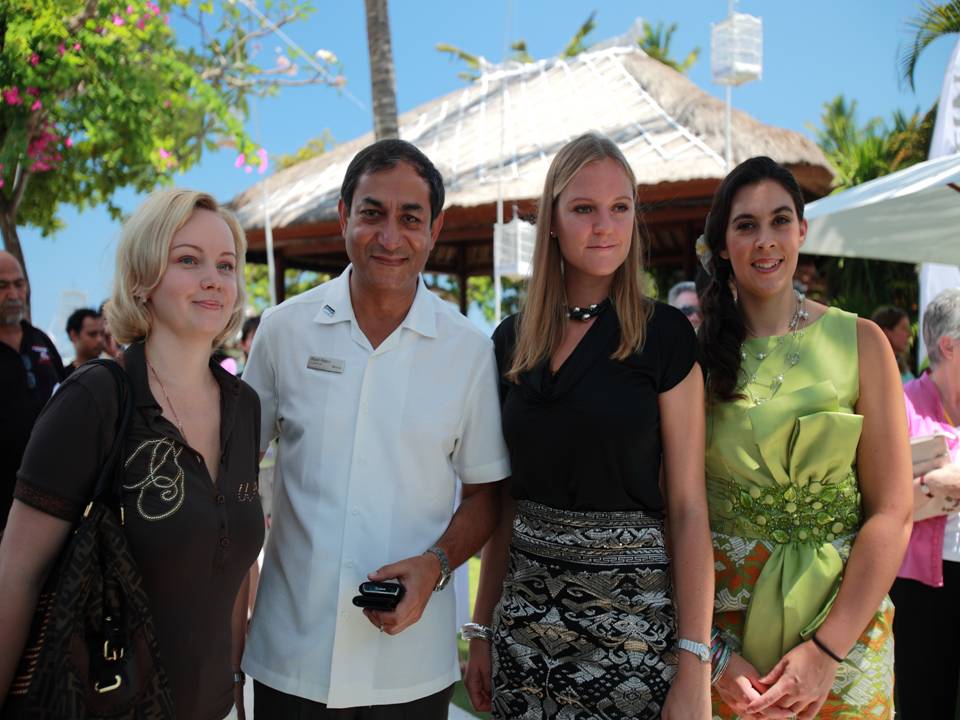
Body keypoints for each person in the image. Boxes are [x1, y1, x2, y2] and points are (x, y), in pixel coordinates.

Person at [241, 139, 510, 718]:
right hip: (289, 657)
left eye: (410, 218)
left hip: (410, 670)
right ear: (343, 217)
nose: (390, 236)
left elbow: (489, 494)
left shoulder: (467, 351)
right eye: (372, 214)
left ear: (434, 229)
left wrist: (435, 564)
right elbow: (230, 472)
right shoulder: (284, 332)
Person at [464, 133, 714, 720]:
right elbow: (503, 501)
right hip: (522, 635)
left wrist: (694, 664)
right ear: (551, 220)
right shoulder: (509, 341)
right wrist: (480, 627)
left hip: (633, 638)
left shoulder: (666, 336)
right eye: (584, 209)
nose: (605, 226)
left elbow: (688, 507)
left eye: (620, 208)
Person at [0, 189, 264, 720]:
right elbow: (16, 573)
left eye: (226, 264)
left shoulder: (245, 406)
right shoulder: (94, 399)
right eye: (188, 260)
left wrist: (236, 687)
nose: (214, 278)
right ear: (143, 278)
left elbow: (233, 566)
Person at [697, 156, 912, 719]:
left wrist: (826, 650)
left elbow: (892, 511)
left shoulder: (863, 341)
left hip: (845, 631)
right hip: (728, 645)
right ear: (723, 244)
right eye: (746, 225)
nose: (765, 241)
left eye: (780, 221)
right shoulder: (690, 357)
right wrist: (714, 658)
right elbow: (675, 511)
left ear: (802, 231)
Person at [890, 288, 960, 718]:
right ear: (949, 346)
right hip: (922, 588)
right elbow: (877, 499)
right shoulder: (902, 405)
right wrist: (932, 485)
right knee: (924, 702)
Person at [0, 250, 64, 531]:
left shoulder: (41, 341)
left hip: (52, 494)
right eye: (2, 286)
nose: (13, 293)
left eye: (19, 283)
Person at [872, 305, 914, 382]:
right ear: (885, 332)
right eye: (904, 328)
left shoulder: (902, 366)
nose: (909, 334)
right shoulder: (871, 369)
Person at [63, 307, 105, 376]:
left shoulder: (110, 372)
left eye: (102, 334)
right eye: (92, 334)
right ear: (74, 335)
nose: (99, 339)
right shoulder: (63, 377)